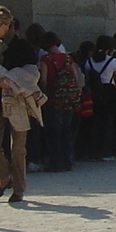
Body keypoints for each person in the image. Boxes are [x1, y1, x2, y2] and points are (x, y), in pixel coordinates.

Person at [0, 5, 42, 202]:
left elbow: (32, 74)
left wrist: (12, 80)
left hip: (18, 99)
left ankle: (19, 189)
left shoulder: (23, 45)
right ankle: (4, 178)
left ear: (8, 24)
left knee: (18, 147)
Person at [39, 31, 80, 171]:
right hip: (68, 99)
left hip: (53, 99)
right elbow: (75, 77)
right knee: (66, 131)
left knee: (53, 132)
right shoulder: (68, 58)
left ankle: (56, 163)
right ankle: (68, 160)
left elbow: (43, 80)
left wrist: (43, 94)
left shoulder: (46, 59)